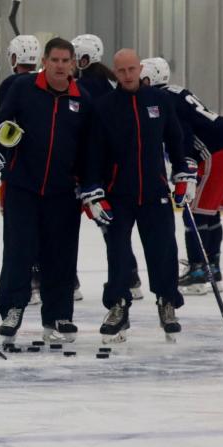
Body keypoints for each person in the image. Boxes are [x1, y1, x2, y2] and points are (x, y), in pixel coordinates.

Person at [0, 37, 92, 346]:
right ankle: (12, 309)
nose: (60, 66)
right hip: (23, 187)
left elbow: (89, 149)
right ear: (45, 61)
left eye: (65, 60)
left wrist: (88, 185)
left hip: (63, 192)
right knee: (18, 252)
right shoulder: (23, 88)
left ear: (73, 64)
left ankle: (58, 315)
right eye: (54, 60)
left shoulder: (82, 99)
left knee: (60, 255)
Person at [81, 49, 195, 343]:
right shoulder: (104, 107)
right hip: (118, 193)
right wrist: (93, 191)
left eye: (132, 69)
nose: (128, 75)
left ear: (140, 68)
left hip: (155, 190)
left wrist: (182, 173)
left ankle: (167, 302)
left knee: (164, 249)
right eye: (122, 71)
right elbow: (92, 154)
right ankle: (119, 305)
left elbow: (175, 141)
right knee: (118, 252)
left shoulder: (160, 101)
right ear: (115, 73)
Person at [140, 57, 223, 295]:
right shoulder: (175, 92)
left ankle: (198, 271)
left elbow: (182, 134)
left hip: (215, 152)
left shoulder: (161, 99)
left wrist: (184, 168)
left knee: (194, 212)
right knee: (210, 211)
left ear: (149, 78)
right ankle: (213, 269)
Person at [71, 33, 143, 301]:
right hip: (110, 169)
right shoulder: (110, 84)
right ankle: (131, 276)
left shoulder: (84, 86)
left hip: (85, 167)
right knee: (110, 227)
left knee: (66, 226)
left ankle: (69, 282)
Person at [0, 35, 43, 306]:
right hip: (46, 171)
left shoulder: (10, 84)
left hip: (16, 172)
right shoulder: (44, 83)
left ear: (14, 58)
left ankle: (28, 283)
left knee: (17, 233)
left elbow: (4, 125)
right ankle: (61, 281)